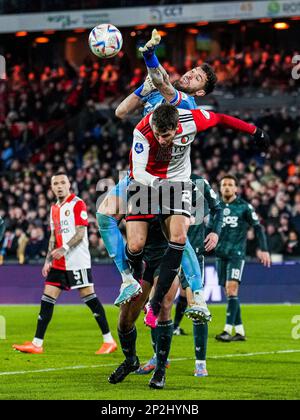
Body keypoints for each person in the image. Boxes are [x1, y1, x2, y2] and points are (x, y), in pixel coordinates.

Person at [96, 29, 218, 308]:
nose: (189, 74)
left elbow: (163, 83)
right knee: (105, 215)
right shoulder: (159, 93)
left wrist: (151, 59)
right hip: (139, 174)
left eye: (197, 77)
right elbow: (120, 111)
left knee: (176, 235)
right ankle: (127, 279)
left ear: (200, 90)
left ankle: (197, 295)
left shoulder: (185, 103)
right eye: (192, 70)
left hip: (167, 179)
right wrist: (144, 88)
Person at [127, 103, 270, 328]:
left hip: (178, 184)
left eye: (166, 135)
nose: (162, 140)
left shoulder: (191, 120)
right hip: (147, 184)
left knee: (179, 238)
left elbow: (222, 118)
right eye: (158, 134)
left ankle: (155, 304)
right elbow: (138, 171)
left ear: (176, 127)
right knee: (135, 245)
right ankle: (130, 277)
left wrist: (254, 131)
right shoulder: (142, 132)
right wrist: (158, 184)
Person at [13, 173, 117, 355]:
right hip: (59, 263)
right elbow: (53, 236)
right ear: (52, 187)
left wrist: (65, 248)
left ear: (69, 185)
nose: (59, 186)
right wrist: (48, 260)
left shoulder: (77, 204)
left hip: (77, 261)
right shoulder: (54, 208)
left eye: (63, 182)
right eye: (56, 183)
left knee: (90, 298)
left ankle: (109, 340)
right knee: (47, 299)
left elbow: (80, 232)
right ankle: (37, 344)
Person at [136, 174, 223, 377]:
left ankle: (200, 362)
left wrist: (215, 232)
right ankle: (158, 357)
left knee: (197, 307)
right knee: (157, 305)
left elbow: (217, 208)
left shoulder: (199, 182)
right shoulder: (157, 180)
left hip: (193, 250)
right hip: (166, 254)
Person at [108, 216, 180, 389]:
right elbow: (108, 219)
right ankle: (131, 360)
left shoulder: (172, 193)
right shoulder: (130, 193)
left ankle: (160, 370)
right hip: (140, 262)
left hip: (166, 258)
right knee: (125, 320)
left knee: (163, 307)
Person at [214, 175, 271, 342]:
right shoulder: (215, 207)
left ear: (236, 189)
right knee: (229, 292)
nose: (227, 187)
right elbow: (210, 229)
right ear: (220, 188)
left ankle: (227, 330)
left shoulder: (244, 207)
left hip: (236, 254)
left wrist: (264, 249)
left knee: (231, 289)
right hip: (220, 254)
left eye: (230, 185)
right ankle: (240, 331)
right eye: (224, 184)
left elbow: (258, 228)